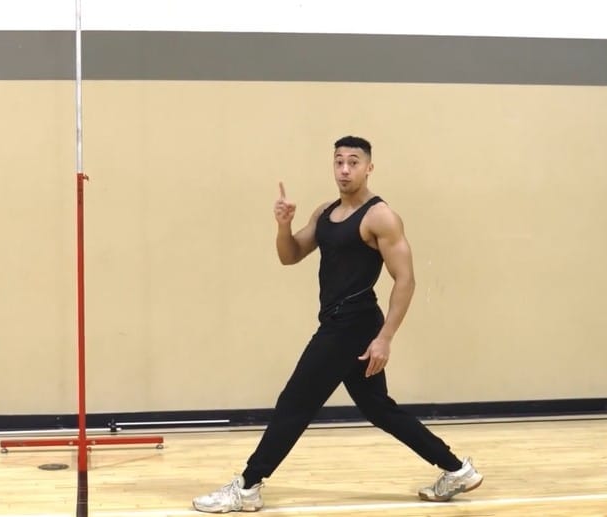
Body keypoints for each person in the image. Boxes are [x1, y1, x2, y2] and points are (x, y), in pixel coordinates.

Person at [192, 136, 483, 513]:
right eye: (339, 162)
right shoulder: (325, 213)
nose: (344, 169)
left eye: (353, 162)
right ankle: (457, 469)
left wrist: (385, 338)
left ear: (369, 168)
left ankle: (247, 487)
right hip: (339, 323)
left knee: (294, 402)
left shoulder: (380, 217)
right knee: (378, 409)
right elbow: (290, 255)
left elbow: (406, 280)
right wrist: (284, 225)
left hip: (352, 326)